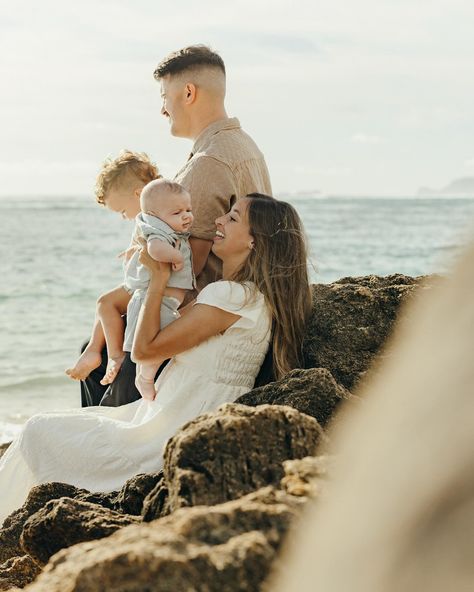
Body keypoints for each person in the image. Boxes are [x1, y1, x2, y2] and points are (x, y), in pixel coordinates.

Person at [0, 194, 311, 523]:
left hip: (167, 432)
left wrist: (159, 278)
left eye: (232, 218)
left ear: (253, 240)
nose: (219, 221)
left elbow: (146, 349)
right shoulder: (245, 296)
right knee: (50, 430)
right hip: (173, 415)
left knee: (37, 430)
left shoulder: (231, 296)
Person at [81, 45, 274, 408]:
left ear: (188, 93)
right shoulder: (247, 147)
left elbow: (186, 272)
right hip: (237, 316)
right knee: (102, 343)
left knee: (104, 373)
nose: (162, 108)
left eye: (164, 96)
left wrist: (118, 303)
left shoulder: (208, 163)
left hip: (202, 327)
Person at [65, 150, 161, 406]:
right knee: (106, 305)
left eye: (121, 210)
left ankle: (108, 355)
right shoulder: (159, 211)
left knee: (104, 303)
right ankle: (93, 350)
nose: (122, 217)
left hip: (152, 288)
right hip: (144, 285)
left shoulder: (151, 219)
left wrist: (140, 252)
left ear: (138, 194)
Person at [126, 179, 195, 399]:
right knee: (157, 345)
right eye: (177, 213)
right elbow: (155, 250)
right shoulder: (158, 233)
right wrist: (174, 256)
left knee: (158, 342)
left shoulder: (169, 230)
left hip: (165, 301)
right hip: (159, 300)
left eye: (188, 210)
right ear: (155, 217)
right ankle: (145, 378)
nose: (186, 216)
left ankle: (143, 376)